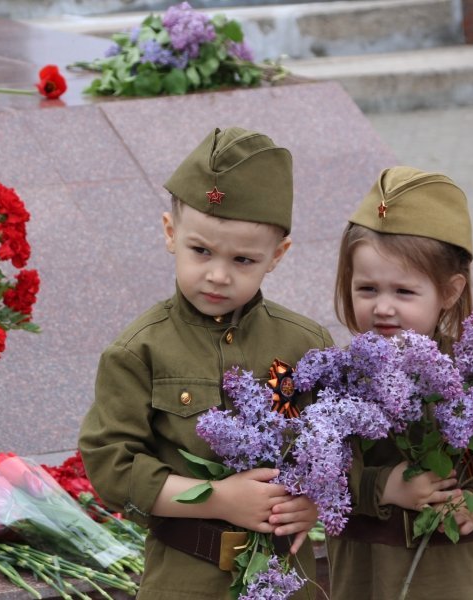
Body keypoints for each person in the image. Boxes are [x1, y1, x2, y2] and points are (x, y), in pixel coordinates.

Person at [79, 127, 333, 599]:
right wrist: (219, 499)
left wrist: (315, 503)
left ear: (276, 257)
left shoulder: (306, 344)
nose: (218, 275)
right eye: (201, 251)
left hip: (283, 579)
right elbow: (112, 470)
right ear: (170, 234)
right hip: (184, 578)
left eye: (243, 259)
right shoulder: (139, 350)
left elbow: (339, 449)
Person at [328, 166, 473, 599]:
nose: (383, 307)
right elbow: (315, 470)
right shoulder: (337, 381)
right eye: (366, 289)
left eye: (403, 292)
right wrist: (381, 487)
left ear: (451, 291)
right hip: (366, 579)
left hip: (451, 577)